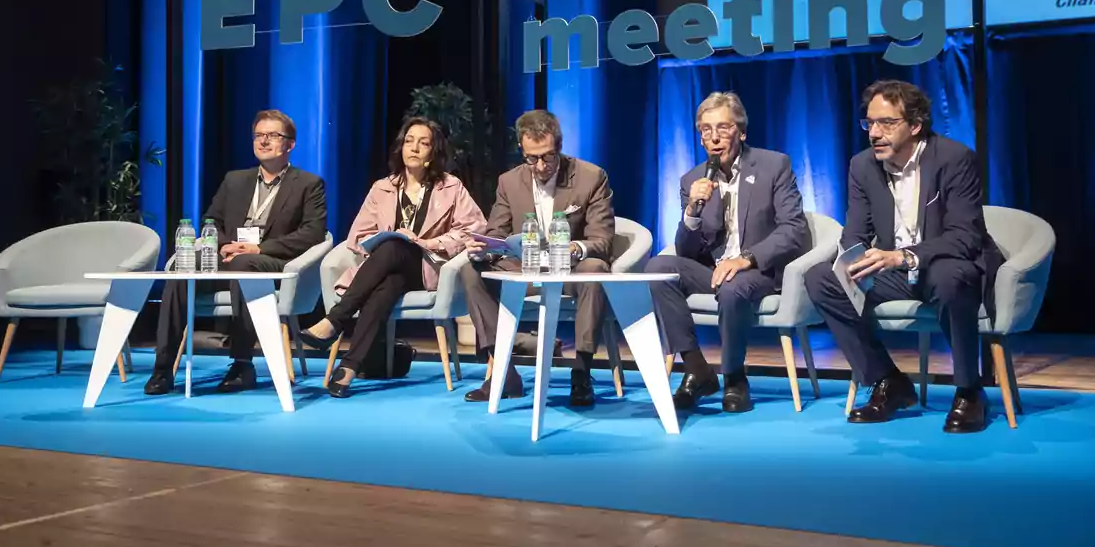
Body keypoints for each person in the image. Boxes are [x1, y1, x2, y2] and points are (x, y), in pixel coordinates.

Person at [804, 80, 1004, 433]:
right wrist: (854, 259)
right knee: (820, 277)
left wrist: (903, 256)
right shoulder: (862, 165)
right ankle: (886, 380)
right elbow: (855, 231)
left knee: (948, 276)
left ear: (914, 125)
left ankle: (969, 391)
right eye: (869, 123)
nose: (875, 133)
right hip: (893, 273)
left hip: (943, 264)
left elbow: (964, 237)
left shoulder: (954, 159)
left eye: (886, 123)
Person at [646, 92, 810, 412]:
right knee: (657, 268)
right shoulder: (692, 179)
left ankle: (734, 376)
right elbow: (687, 250)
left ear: (741, 132)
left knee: (732, 286)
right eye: (706, 130)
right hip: (714, 270)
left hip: (758, 270)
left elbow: (793, 230)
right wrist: (692, 210)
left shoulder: (774, 165)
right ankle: (697, 369)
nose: (714, 137)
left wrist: (746, 258)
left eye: (723, 128)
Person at [144, 109, 327, 395]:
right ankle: (163, 368)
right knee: (183, 269)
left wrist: (258, 247)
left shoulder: (308, 184)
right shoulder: (234, 180)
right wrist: (222, 246)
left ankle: (242, 364)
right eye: (259, 135)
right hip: (227, 257)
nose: (263, 141)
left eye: (272, 136)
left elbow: (313, 233)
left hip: (273, 262)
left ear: (290, 144)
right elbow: (212, 221)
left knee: (246, 263)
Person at [300, 117, 486, 398]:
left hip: (428, 267)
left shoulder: (451, 186)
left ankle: (335, 319)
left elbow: (474, 228)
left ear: (433, 152)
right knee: (389, 278)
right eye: (409, 141)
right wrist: (383, 238)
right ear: (400, 147)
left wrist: (429, 242)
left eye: (423, 143)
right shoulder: (383, 187)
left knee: (398, 248)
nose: (414, 148)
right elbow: (358, 236)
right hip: (387, 268)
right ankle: (349, 368)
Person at [460, 110, 615, 406]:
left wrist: (576, 248)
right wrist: (485, 248)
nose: (541, 166)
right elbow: (496, 232)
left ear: (559, 146)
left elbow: (602, 240)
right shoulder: (509, 181)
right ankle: (503, 370)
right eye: (532, 158)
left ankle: (581, 371)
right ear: (522, 149)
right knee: (471, 271)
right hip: (525, 268)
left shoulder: (591, 177)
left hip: (569, 270)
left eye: (548, 157)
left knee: (595, 269)